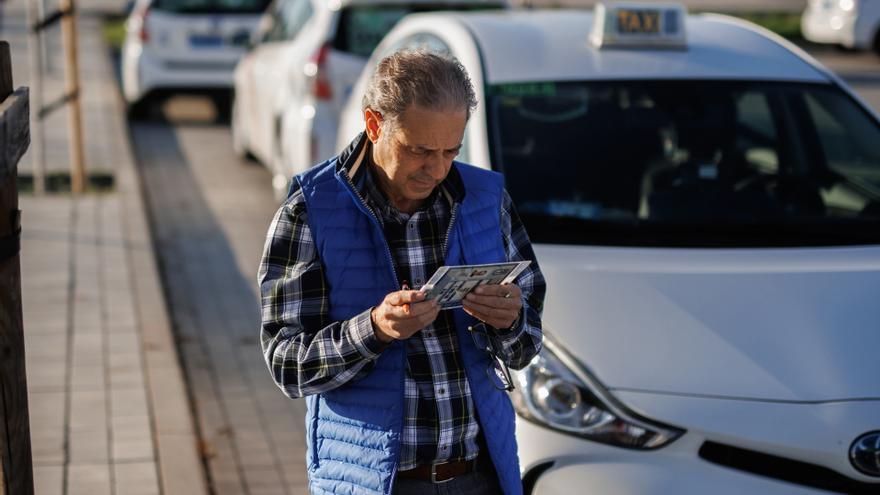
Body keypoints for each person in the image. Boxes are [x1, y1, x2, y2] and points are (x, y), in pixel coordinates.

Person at [258, 49, 545, 495]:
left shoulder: (485, 199)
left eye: (451, 150)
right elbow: (287, 366)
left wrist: (510, 321)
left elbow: (526, 348)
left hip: (479, 476)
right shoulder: (310, 210)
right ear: (374, 125)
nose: (437, 168)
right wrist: (373, 329)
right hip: (376, 483)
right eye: (420, 151)